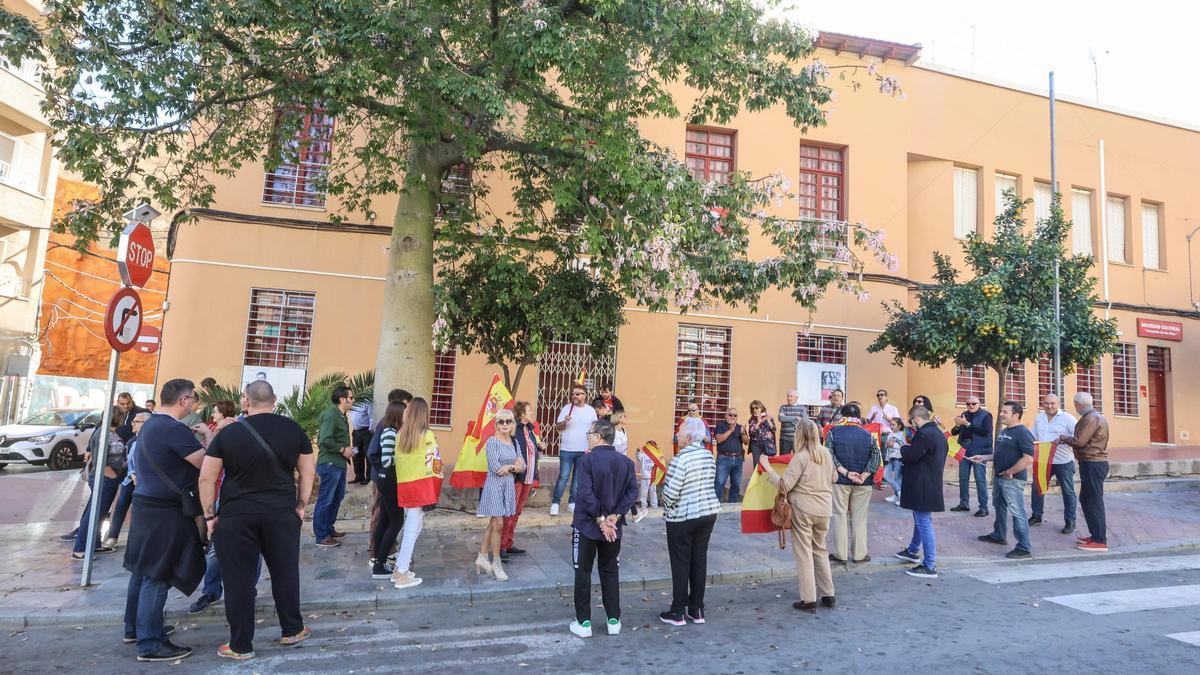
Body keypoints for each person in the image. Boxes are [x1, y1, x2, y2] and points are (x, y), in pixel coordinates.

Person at [199, 380, 315, 660]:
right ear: (274, 400)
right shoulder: (293, 430)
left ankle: (240, 645)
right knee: (285, 571)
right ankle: (292, 629)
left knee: (238, 579)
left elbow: (206, 477)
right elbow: (307, 469)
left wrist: (210, 516)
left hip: (237, 516)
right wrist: (300, 504)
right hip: (281, 513)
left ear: (245, 402)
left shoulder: (228, 434)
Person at [122, 379, 212, 662]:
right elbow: (206, 463)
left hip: (146, 505)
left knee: (143, 569)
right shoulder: (173, 429)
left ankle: (136, 628)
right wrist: (209, 438)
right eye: (194, 398)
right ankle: (150, 643)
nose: (195, 402)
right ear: (184, 400)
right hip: (166, 510)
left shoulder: (150, 425)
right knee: (158, 575)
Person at [569, 418, 639, 638]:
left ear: (599, 436)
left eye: (589, 434)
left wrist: (602, 519)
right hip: (613, 527)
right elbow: (631, 494)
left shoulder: (587, 461)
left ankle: (584, 622)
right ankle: (613, 620)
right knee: (610, 571)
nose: (587, 438)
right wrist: (614, 517)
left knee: (583, 571)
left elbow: (585, 494)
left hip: (588, 525)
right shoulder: (626, 462)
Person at [761, 419, 836, 612]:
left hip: (804, 508)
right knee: (820, 549)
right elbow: (834, 478)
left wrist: (767, 468)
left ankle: (808, 598)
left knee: (804, 553)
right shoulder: (826, 454)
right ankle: (828, 594)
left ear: (799, 435)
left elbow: (785, 485)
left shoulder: (800, 457)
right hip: (825, 508)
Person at [659, 417, 721, 626]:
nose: (676, 435)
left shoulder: (680, 459)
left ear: (687, 437)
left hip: (683, 516)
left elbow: (671, 493)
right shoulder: (708, 456)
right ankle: (697, 609)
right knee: (699, 560)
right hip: (707, 512)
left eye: (679, 432)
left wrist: (664, 501)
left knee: (680, 562)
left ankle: (678, 611)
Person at [388, 398, 442, 589]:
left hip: (405, 486)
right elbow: (435, 464)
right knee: (413, 530)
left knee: (411, 529)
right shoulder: (427, 435)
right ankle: (402, 572)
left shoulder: (400, 435)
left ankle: (398, 570)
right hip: (421, 486)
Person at [974, 401, 1034, 559]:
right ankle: (999, 535)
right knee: (999, 508)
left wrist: (1010, 472)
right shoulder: (1004, 431)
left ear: (1016, 415)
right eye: (1001, 411)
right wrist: (984, 457)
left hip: (1013, 480)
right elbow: (999, 453)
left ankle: (1024, 546)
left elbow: (1028, 458)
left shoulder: (1023, 433)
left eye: (1005, 412)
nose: (1001, 415)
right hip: (999, 478)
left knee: (1017, 512)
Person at [895, 405, 949, 578]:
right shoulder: (938, 433)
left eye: (912, 422)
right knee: (921, 519)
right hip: (929, 482)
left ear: (917, 419)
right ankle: (912, 550)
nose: (911, 425)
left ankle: (929, 564)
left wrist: (903, 447)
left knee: (924, 522)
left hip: (923, 483)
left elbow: (911, 455)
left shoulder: (925, 434)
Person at [825, 403, 881, 564]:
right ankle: (859, 554)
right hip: (863, 482)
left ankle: (840, 554)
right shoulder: (868, 435)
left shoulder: (833, 433)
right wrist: (864, 475)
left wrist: (845, 472)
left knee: (839, 515)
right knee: (859, 518)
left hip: (840, 480)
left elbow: (828, 455)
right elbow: (876, 457)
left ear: (842, 415)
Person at [1057, 392, 1110, 552]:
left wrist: (1064, 438)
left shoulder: (1090, 418)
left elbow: (1079, 441)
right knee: (1087, 499)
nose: (1075, 408)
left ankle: (1100, 540)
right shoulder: (1095, 417)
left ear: (1077, 404)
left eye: (1075, 405)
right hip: (1092, 462)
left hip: (1093, 463)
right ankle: (1095, 535)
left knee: (1093, 501)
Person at [366, 389, 413, 566]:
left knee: (387, 518)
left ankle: (384, 552)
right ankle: (375, 554)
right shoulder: (386, 429)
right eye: (406, 407)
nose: (408, 412)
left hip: (386, 478)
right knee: (383, 517)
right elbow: (376, 455)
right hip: (384, 479)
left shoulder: (394, 429)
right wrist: (384, 473)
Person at [475, 408, 522, 581]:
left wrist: (510, 467)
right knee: (499, 524)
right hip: (495, 485)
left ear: (512, 424)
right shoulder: (492, 442)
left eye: (508, 421)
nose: (505, 424)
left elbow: (521, 465)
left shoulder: (514, 442)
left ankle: (481, 556)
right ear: (496, 424)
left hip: (508, 485)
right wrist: (513, 466)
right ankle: (496, 562)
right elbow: (495, 468)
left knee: (494, 523)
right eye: (501, 421)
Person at [71, 408, 125, 559]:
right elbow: (99, 459)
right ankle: (80, 549)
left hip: (107, 478)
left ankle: (94, 544)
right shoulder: (103, 433)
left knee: (99, 513)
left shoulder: (108, 432)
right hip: (104, 478)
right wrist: (113, 476)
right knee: (94, 513)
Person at [313, 386, 354, 547]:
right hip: (330, 463)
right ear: (342, 399)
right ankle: (321, 535)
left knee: (337, 497)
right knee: (326, 499)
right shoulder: (331, 415)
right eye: (351, 397)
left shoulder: (340, 415)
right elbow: (324, 440)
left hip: (339, 463)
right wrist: (343, 449)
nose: (353, 400)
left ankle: (328, 529)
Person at [1031, 393, 1078, 532]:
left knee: (1068, 491)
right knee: (1038, 488)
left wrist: (1063, 439)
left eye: (1052, 403)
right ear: (1043, 404)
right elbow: (1033, 435)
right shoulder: (1039, 418)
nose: (1049, 406)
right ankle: (1036, 516)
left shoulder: (1068, 419)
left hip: (1063, 461)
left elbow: (1077, 437)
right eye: (1046, 403)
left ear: (1058, 404)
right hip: (1043, 459)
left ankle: (1070, 521)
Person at [550, 384, 597, 516]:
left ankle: (572, 502)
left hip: (584, 450)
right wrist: (564, 421)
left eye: (578, 393)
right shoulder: (567, 409)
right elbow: (558, 427)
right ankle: (555, 503)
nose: (574, 396)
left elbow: (594, 429)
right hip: (567, 449)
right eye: (573, 393)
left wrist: (592, 447)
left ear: (585, 395)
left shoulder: (591, 410)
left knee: (577, 478)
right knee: (563, 476)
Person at [502, 402, 541, 558]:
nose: (532, 413)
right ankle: (502, 546)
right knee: (510, 512)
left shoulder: (529, 430)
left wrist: (540, 448)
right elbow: (512, 452)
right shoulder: (515, 430)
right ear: (521, 414)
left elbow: (531, 449)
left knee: (517, 512)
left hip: (529, 476)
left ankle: (509, 544)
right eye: (529, 410)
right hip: (517, 477)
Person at [106, 412, 150, 548]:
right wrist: (132, 474)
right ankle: (113, 536)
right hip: (131, 479)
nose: (132, 423)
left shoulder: (151, 440)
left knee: (142, 509)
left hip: (146, 480)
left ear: (145, 424)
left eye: (136, 421)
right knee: (122, 503)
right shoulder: (132, 441)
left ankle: (140, 539)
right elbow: (129, 461)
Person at [950, 396, 992, 517]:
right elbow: (954, 432)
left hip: (979, 449)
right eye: (968, 404)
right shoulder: (964, 414)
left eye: (974, 403)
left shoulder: (986, 415)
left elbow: (985, 431)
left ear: (979, 404)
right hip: (964, 448)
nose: (971, 406)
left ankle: (983, 508)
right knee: (963, 478)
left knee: (980, 479)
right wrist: (958, 425)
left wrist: (967, 423)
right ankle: (964, 504)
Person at [713, 407, 747, 503]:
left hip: (738, 459)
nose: (732, 417)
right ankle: (716, 505)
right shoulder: (720, 426)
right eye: (730, 415)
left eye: (735, 415)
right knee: (719, 483)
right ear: (726, 416)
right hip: (724, 459)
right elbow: (719, 439)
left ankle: (732, 505)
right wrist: (731, 430)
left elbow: (746, 442)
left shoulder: (740, 427)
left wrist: (743, 433)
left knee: (736, 484)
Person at [349, 398, 373, 486]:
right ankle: (359, 476)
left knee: (368, 454)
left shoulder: (367, 402)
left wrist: (370, 430)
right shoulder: (352, 403)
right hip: (356, 432)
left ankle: (369, 477)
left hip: (366, 431)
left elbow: (372, 417)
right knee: (355, 454)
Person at [882, 417, 906, 505]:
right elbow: (887, 445)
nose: (891, 426)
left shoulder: (902, 435)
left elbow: (904, 446)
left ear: (899, 426)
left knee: (898, 478)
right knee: (885, 475)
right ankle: (898, 493)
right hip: (890, 459)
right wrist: (887, 445)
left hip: (898, 459)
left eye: (893, 425)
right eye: (890, 424)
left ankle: (899, 496)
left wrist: (894, 444)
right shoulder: (890, 434)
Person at [747, 400, 777, 467]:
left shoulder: (769, 416)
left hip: (767, 443)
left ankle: (767, 478)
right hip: (756, 444)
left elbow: (774, 430)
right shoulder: (752, 419)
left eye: (756, 408)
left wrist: (768, 420)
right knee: (757, 465)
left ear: (761, 408)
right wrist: (758, 422)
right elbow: (751, 433)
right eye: (753, 408)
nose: (755, 410)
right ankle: (757, 478)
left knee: (768, 465)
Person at [777, 390, 808, 455]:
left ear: (796, 398)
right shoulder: (783, 407)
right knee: (783, 459)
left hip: (798, 439)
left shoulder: (802, 408)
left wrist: (787, 419)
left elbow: (804, 421)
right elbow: (781, 418)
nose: (789, 398)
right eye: (788, 396)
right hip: (784, 438)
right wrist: (795, 418)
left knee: (798, 460)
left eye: (791, 396)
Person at [635, 440, 660, 513]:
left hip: (653, 477)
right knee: (643, 492)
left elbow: (659, 464)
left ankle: (654, 506)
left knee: (653, 492)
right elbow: (639, 457)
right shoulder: (643, 455)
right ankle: (643, 506)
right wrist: (638, 452)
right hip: (644, 477)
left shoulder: (656, 455)